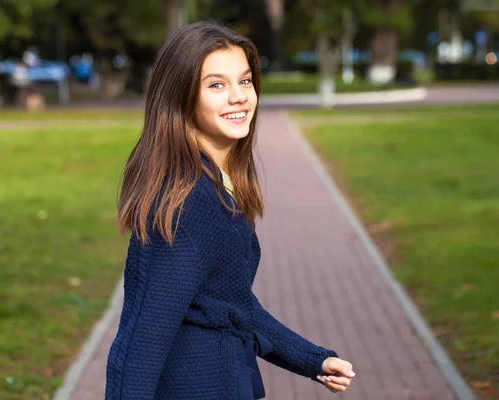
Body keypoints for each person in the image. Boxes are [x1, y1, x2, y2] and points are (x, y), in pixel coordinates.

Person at [105, 21, 355, 399]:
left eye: (245, 80)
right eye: (217, 85)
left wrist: (312, 359)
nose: (239, 96)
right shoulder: (188, 204)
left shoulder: (215, 184)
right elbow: (142, 341)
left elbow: (230, 303)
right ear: (181, 96)